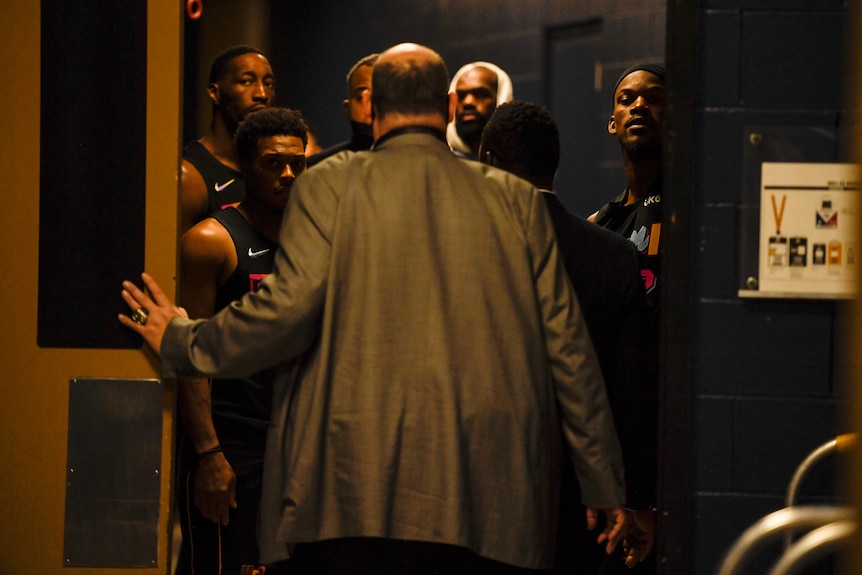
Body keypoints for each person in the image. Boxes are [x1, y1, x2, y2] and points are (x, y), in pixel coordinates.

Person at [120, 42, 627, 575]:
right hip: (478, 496)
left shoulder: (326, 188)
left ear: (375, 112)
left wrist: (180, 339)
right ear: (449, 108)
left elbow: (280, 319)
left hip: (347, 492)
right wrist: (602, 479)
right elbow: (568, 348)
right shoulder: (517, 201)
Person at [480, 100, 657, 574]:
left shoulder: (464, 252)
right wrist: (637, 498)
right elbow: (632, 392)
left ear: (490, 163)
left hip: (480, 490)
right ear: (553, 164)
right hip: (584, 498)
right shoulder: (616, 255)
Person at [175, 107, 308, 575]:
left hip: (297, 449)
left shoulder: (316, 243)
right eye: (274, 163)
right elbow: (192, 357)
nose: (288, 173)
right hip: (233, 450)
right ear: (245, 167)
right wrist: (209, 454)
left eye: (297, 163)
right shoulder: (211, 240)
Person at [588, 63, 666, 312]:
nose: (639, 105)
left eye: (653, 98)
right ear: (613, 123)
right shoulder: (600, 223)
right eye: (626, 99)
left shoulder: (689, 208)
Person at [180, 45, 277, 236]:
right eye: (246, 81)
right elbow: (174, 261)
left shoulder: (268, 170)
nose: (262, 94)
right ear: (215, 93)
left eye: (268, 84)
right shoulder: (191, 176)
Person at [306, 53, 378, 168]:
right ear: (347, 107)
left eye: (381, 97)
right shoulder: (315, 169)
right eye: (360, 97)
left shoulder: (415, 164)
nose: (371, 107)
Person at [446, 61, 513, 160]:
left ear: (502, 98)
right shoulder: (439, 163)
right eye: (461, 96)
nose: (468, 102)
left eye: (481, 95)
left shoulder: (521, 164)